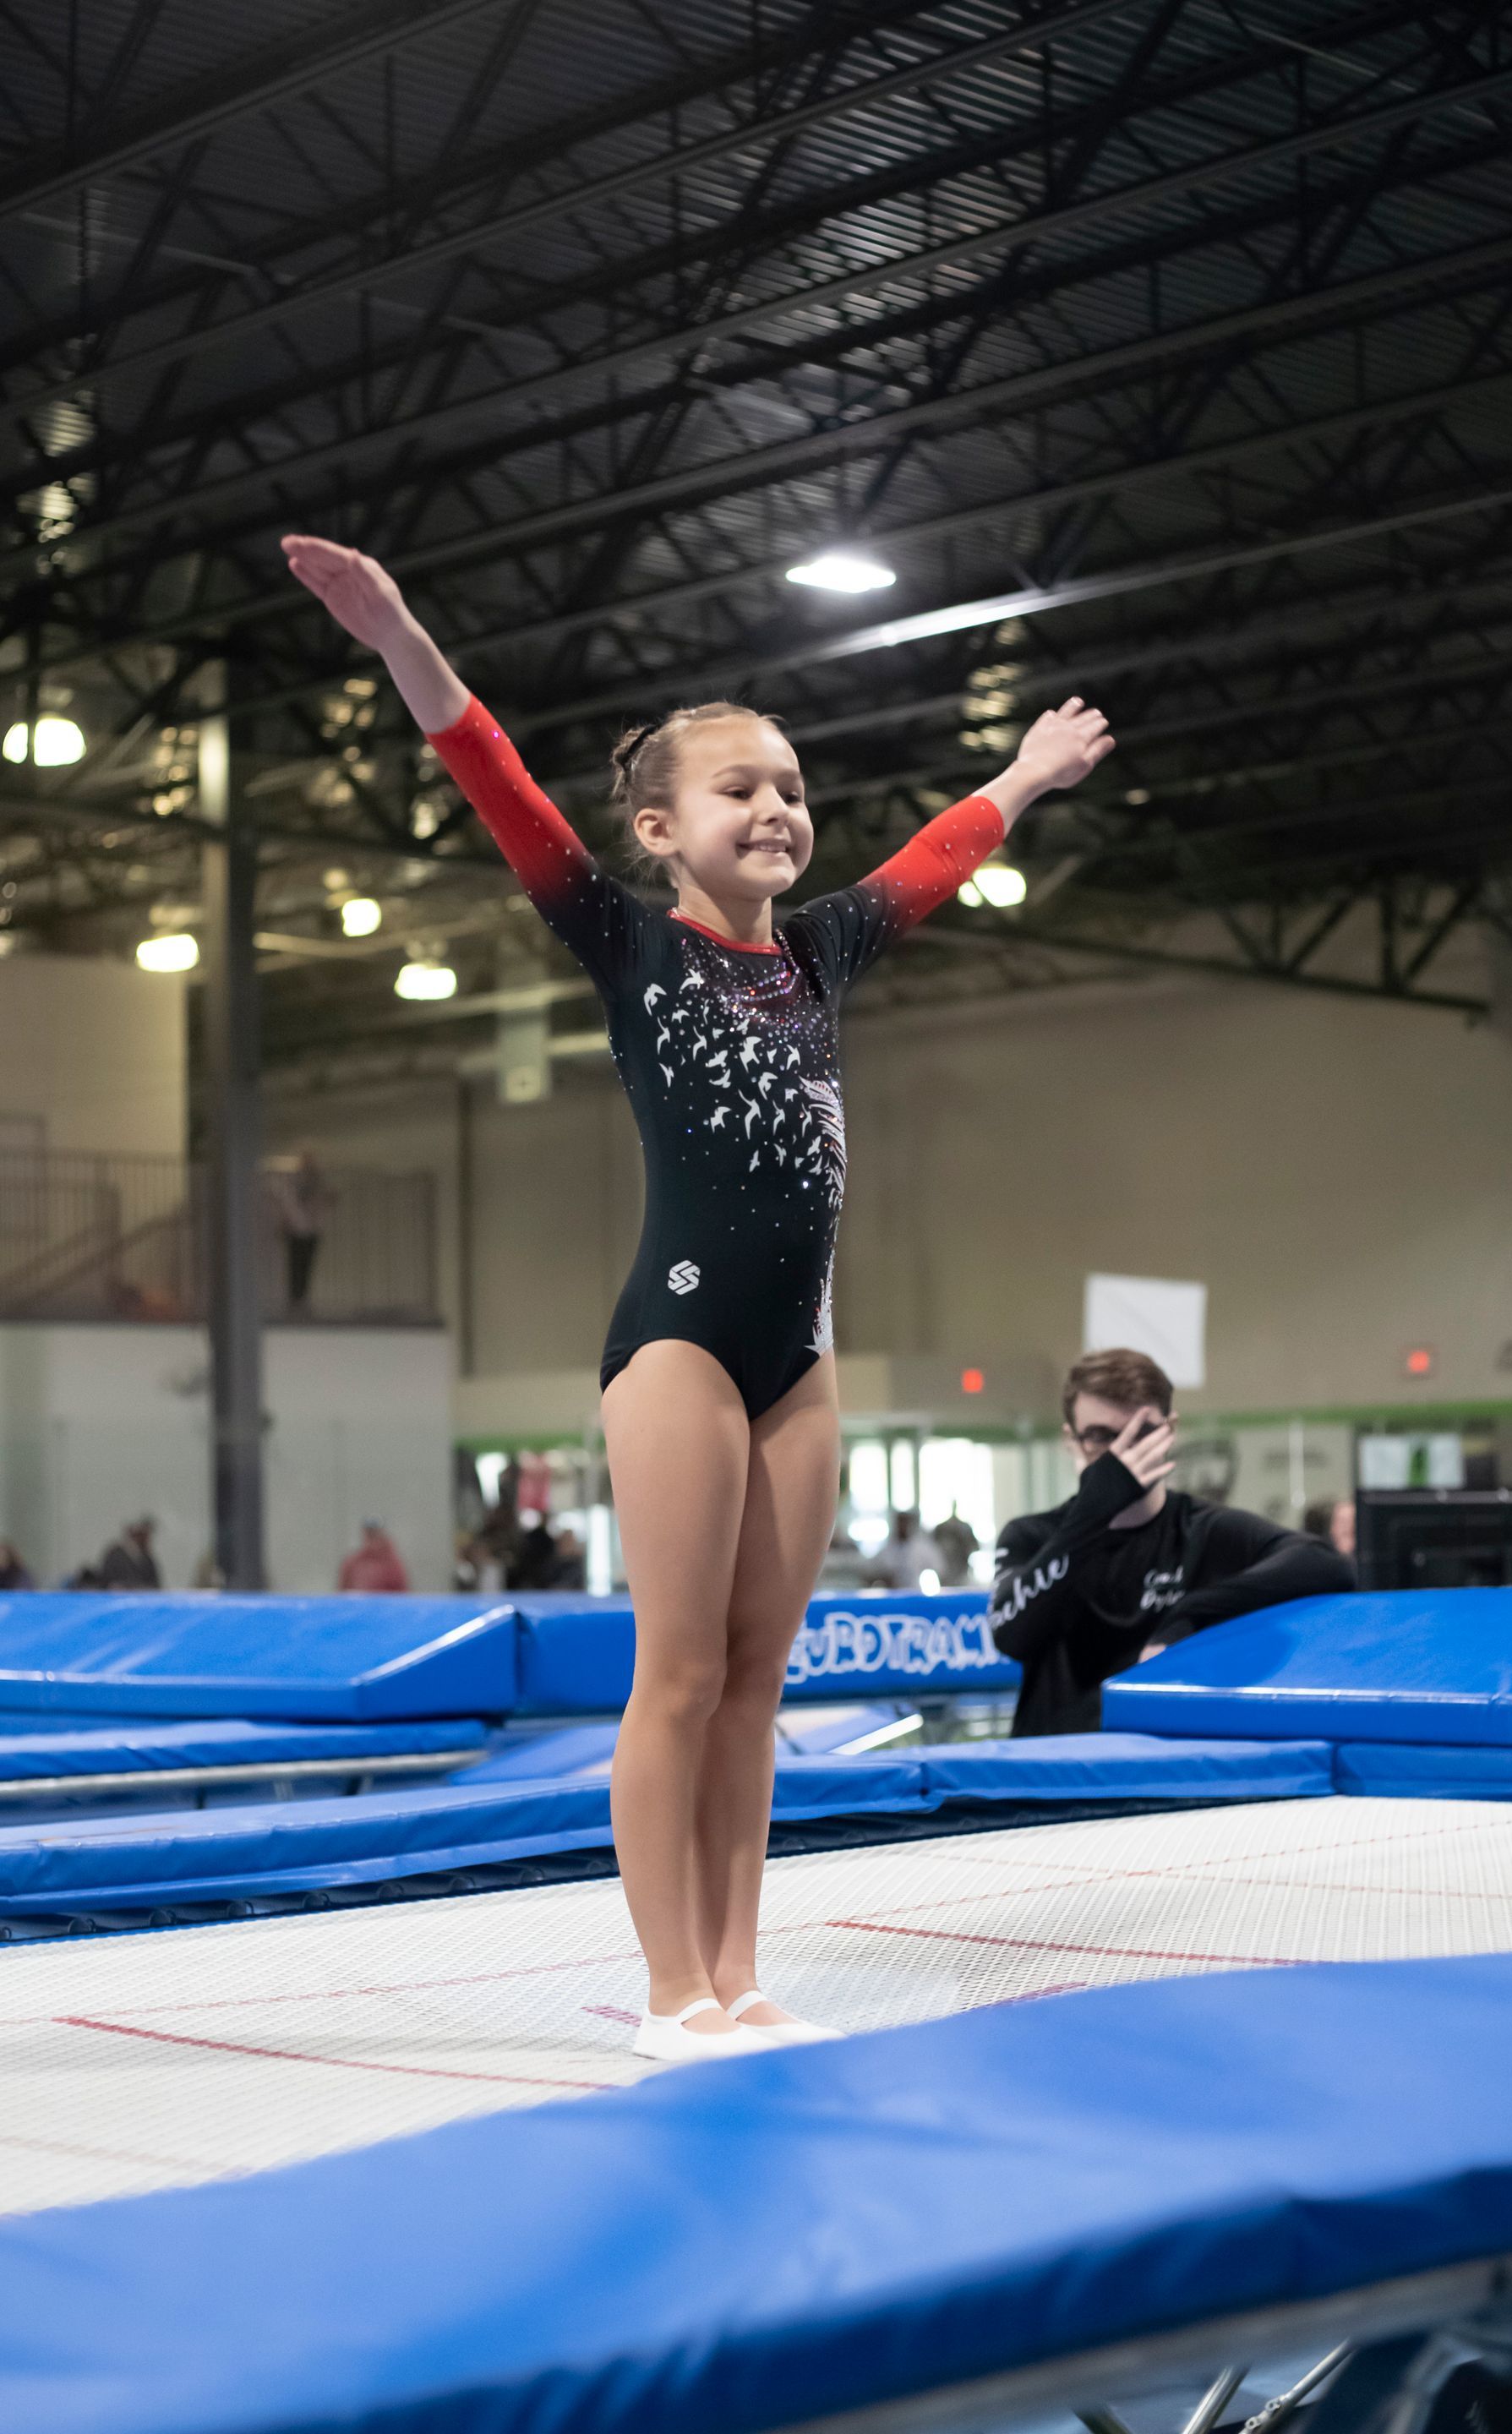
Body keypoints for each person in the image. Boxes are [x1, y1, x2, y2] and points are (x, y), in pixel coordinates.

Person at [285, 530, 1116, 2062]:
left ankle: (739, 1969)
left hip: (799, 1357)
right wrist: (399, 628)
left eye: (793, 788)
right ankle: (669, 1986)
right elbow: (494, 778)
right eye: (743, 789)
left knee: (756, 1682)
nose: (780, 809)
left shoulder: (821, 956)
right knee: (676, 1673)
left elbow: (931, 858)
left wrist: (1025, 776)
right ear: (662, 829)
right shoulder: (625, 942)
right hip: (673, 1344)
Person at [991, 1350, 1354, 1738]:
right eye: (1101, 1437)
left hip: (1167, 1766)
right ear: (1071, 1441)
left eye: (1141, 1435)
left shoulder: (1206, 1530)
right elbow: (1012, 1635)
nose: (1122, 1455)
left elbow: (1326, 1564)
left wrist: (1191, 1612)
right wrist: (1092, 1513)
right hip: (1055, 1768)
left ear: (1170, 1432)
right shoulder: (1032, 1535)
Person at [273, 1149, 336, 1312]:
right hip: (298, 1228)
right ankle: (296, 1296)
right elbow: (289, 1204)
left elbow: (322, 1204)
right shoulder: (296, 1181)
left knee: (305, 1264)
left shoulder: (318, 1182)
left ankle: (301, 1296)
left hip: (310, 1229)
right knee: (296, 1264)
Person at [864, 1509, 940, 1591]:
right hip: (894, 1595)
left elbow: (940, 1569)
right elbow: (871, 1570)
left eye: (905, 1523)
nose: (902, 1526)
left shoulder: (924, 1547)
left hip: (918, 1594)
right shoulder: (888, 1548)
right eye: (900, 1523)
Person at [337, 1520, 410, 1592]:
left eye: (375, 1535)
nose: (372, 1540)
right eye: (369, 1535)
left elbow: (401, 1592)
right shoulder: (354, 1562)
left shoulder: (392, 1563)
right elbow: (343, 1591)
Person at [96, 1516, 161, 1591]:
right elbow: (107, 1582)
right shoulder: (115, 1556)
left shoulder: (147, 1559)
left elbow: (155, 1585)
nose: (146, 1539)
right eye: (141, 1534)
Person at [931, 1506, 980, 1587]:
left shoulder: (965, 1528)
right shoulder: (940, 1529)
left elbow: (975, 1547)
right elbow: (931, 1549)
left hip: (962, 1573)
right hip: (945, 1575)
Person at [1304, 1496, 1358, 1564]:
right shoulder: (1319, 1557)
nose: (1349, 1526)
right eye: (1342, 1521)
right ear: (1331, 1528)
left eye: (1353, 1520)